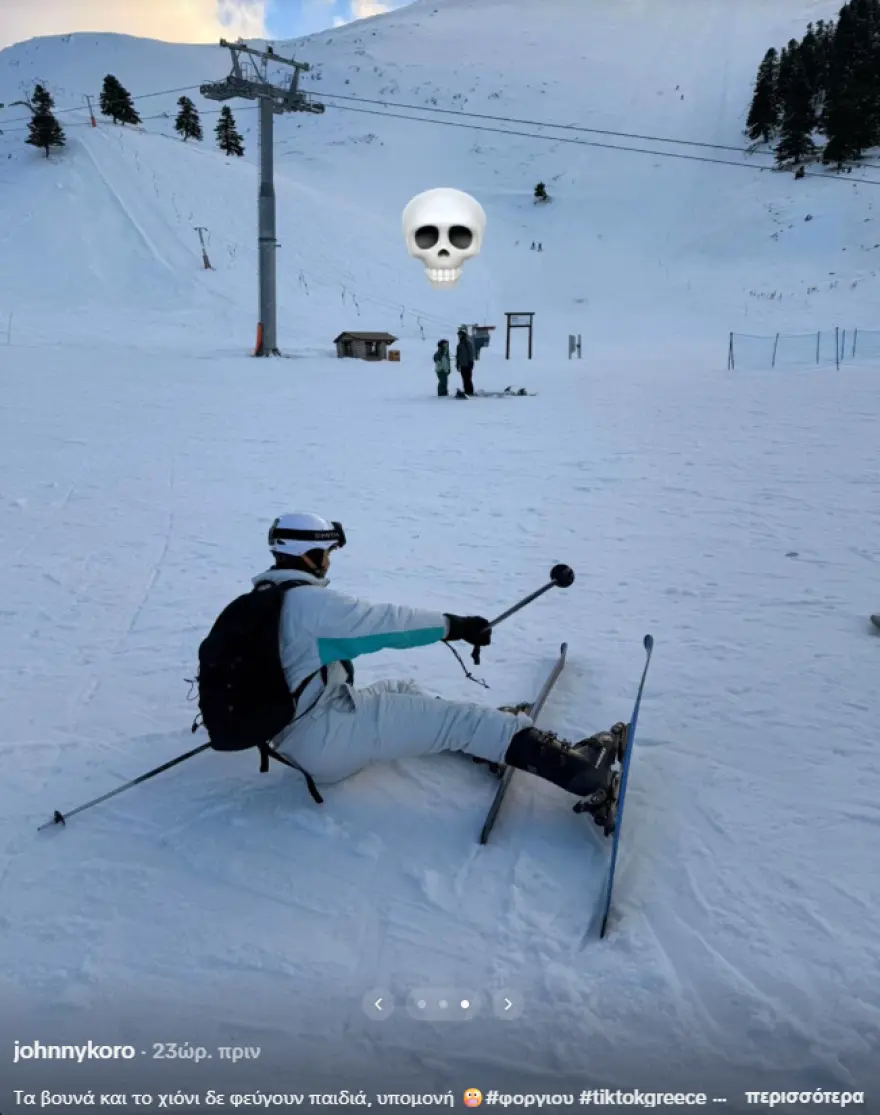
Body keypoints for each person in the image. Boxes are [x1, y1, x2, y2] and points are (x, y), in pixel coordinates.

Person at [256, 512, 623, 823]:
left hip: (296, 739)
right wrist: (455, 626)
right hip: (329, 737)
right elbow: (385, 623)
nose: (329, 561)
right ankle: (581, 770)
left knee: (400, 691)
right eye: (327, 552)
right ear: (310, 555)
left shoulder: (260, 601)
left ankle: (484, 740)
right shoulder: (311, 606)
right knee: (459, 720)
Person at [455, 327, 476, 396]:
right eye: (458, 335)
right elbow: (458, 356)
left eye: (460, 335)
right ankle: (466, 390)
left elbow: (471, 353)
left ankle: (470, 391)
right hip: (462, 364)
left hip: (468, 364)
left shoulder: (467, 343)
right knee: (464, 378)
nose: (459, 336)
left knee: (468, 378)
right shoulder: (459, 344)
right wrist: (457, 364)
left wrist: (471, 362)